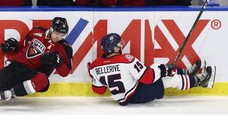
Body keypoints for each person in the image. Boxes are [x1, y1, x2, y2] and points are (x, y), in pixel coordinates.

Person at [88, 33, 216, 105]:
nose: (121, 46)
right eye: (118, 45)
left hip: (127, 93)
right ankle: (200, 81)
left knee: (156, 68)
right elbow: (148, 78)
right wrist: (164, 70)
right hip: (136, 94)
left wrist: (94, 76)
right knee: (169, 79)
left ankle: (187, 73)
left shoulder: (95, 66)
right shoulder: (126, 59)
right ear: (114, 49)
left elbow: (98, 90)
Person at [0, 17, 73, 106]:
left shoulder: (65, 48)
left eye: (62, 35)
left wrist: (59, 62)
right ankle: (7, 90)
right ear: (51, 29)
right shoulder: (36, 31)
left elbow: (65, 73)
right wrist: (11, 46)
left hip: (33, 74)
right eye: (57, 33)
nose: (59, 37)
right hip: (16, 67)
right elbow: (22, 46)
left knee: (43, 80)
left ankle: (11, 94)